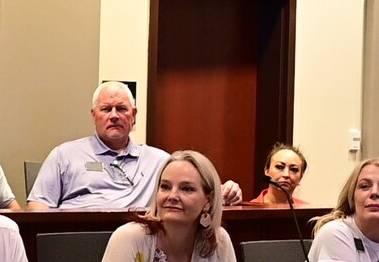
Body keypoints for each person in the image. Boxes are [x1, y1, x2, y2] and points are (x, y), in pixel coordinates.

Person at [27, 81, 242, 211]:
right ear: (94, 116)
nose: (114, 116)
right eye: (106, 109)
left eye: (121, 109)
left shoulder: (159, 160)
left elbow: (198, 190)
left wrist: (226, 191)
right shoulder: (64, 155)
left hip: (142, 246)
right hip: (78, 244)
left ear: (134, 115)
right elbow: (37, 207)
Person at [92, 150, 242, 262]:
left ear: (208, 201)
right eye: (165, 187)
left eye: (187, 189)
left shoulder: (219, 240)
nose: (172, 196)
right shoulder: (128, 239)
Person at [249, 143, 310, 208]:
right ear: (266, 170)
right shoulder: (250, 209)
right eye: (280, 167)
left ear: (301, 176)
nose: (286, 174)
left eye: (294, 169)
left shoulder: (307, 210)